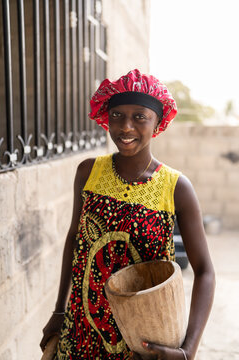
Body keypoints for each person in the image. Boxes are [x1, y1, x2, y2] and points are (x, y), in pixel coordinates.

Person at [40, 69, 215, 360]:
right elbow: (75, 240)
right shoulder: (88, 172)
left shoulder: (176, 188)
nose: (126, 127)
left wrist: (188, 351)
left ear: (158, 122)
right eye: (118, 115)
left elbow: (206, 271)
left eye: (140, 117)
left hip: (142, 341)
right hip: (81, 329)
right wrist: (60, 310)